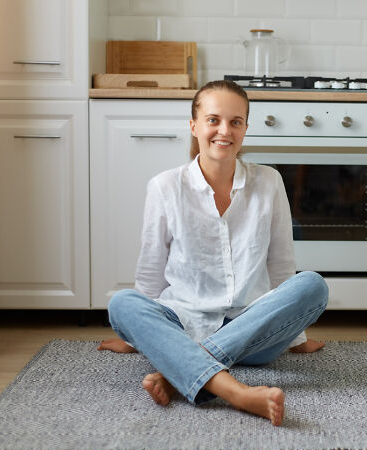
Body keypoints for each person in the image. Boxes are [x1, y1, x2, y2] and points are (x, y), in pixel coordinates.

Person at [98, 80, 328, 426]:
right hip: (183, 323)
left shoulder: (269, 182)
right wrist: (135, 338)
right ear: (194, 126)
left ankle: (180, 371)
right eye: (213, 120)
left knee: (312, 285)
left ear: (246, 129)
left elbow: (281, 264)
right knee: (122, 303)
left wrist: (295, 337)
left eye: (236, 122)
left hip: (253, 331)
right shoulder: (165, 186)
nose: (224, 131)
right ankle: (237, 393)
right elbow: (151, 267)